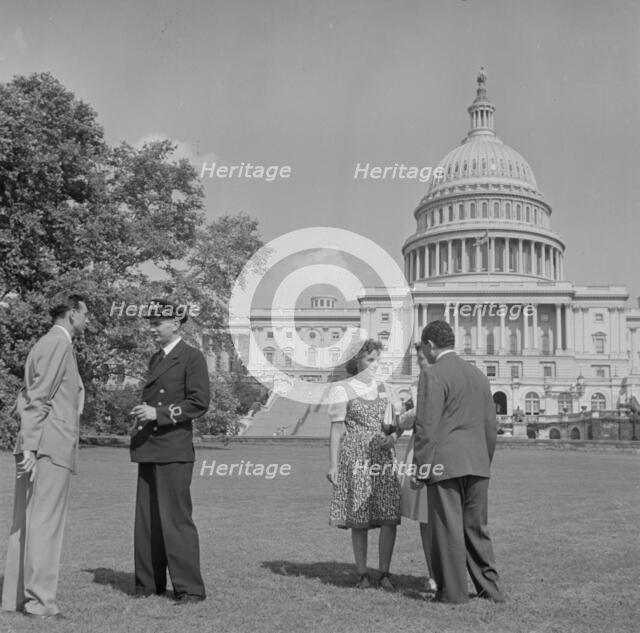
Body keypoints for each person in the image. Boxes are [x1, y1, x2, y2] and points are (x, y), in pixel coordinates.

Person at [2, 294, 89, 619]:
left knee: (25, 523)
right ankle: (40, 603)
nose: (87, 320)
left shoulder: (45, 342)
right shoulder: (58, 344)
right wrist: (30, 446)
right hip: (47, 446)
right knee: (44, 524)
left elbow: (29, 394)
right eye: (84, 314)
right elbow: (38, 396)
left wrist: (27, 442)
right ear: (71, 314)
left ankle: (16, 598)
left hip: (37, 442)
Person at [413, 320, 504, 604]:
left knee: (447, 528)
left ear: (429, 345)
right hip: (477, 462)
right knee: (477, 529)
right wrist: (483, 460)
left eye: (423, 348)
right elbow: (491, 426)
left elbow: (426, 426)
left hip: (445, 462)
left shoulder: (432, 373)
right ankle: (490, 590)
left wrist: (420, 466)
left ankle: (452, 593)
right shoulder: (479, 374)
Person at [129, 299, 210, 603]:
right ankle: (148, 584)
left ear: (175, 323)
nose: (151, 329)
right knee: (147, 520)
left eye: (156, 323)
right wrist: (143, 413)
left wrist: (158, 414)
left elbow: (199, 403)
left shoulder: (192, 357)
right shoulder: (155, 359)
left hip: (174, 448)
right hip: (149, 446)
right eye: (150, 323)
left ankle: (189, 588)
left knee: (176, 520)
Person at [327, 339, 401, 590]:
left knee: (389, 516)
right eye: (370, 360)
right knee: (360, 517)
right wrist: (333, 464)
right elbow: (337, 427)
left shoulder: (386, 389)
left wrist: (392, 439)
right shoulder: (343, 389)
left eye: (377, 360)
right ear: (356, 361)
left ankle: (384, 573)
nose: (375, 365)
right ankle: (362, 574)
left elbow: (396, 427)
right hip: (356, 457)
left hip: (382, 458)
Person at [395, 343, 436, 593]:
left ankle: (436, 575)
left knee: (428, 520)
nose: (419, 363)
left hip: (428, 456)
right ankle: (437, 574)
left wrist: (402, 417)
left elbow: (418, 415)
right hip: (432, 456)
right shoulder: (424, 381)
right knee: (429, 519)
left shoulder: (432, 381)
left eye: (421, 358)